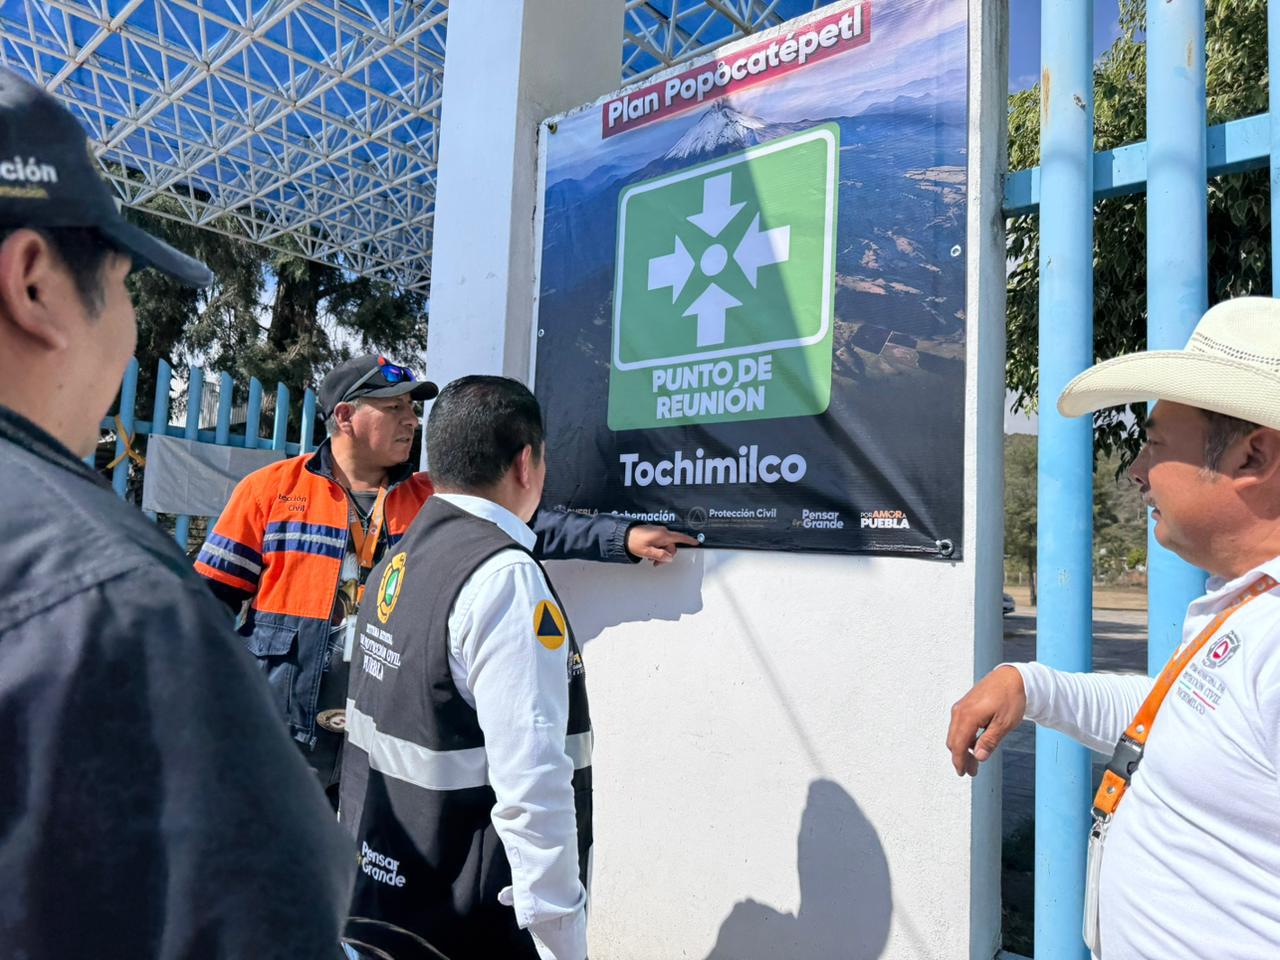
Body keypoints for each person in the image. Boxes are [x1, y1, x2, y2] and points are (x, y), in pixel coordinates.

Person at [0, 70, 354, 957]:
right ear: (35, 284)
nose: (128, 332)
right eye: (122, 285)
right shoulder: (112, 604)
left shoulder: (419, 501)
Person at [195, 354, 696, 803]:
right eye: (394, 408)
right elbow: (206, 606)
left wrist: (620, 537)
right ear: (345, 416)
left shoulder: (433, 497)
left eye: (413, 409)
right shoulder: (268, 492)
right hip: (283, 737)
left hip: (383, 742)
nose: (412, 420)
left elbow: (526, 523)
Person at [947, 296, 1280, 959]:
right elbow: (1185, 728)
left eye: (1156, 445)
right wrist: (1033, 686)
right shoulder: (1247, 604)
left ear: (1253, 457)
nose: (1136, 472)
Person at [340, 376, 596, 960]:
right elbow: (533, 784)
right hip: (465, 925)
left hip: (385, 903)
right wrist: (561, 939)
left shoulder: (399, 560)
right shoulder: (504, 578)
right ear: (526, 464)